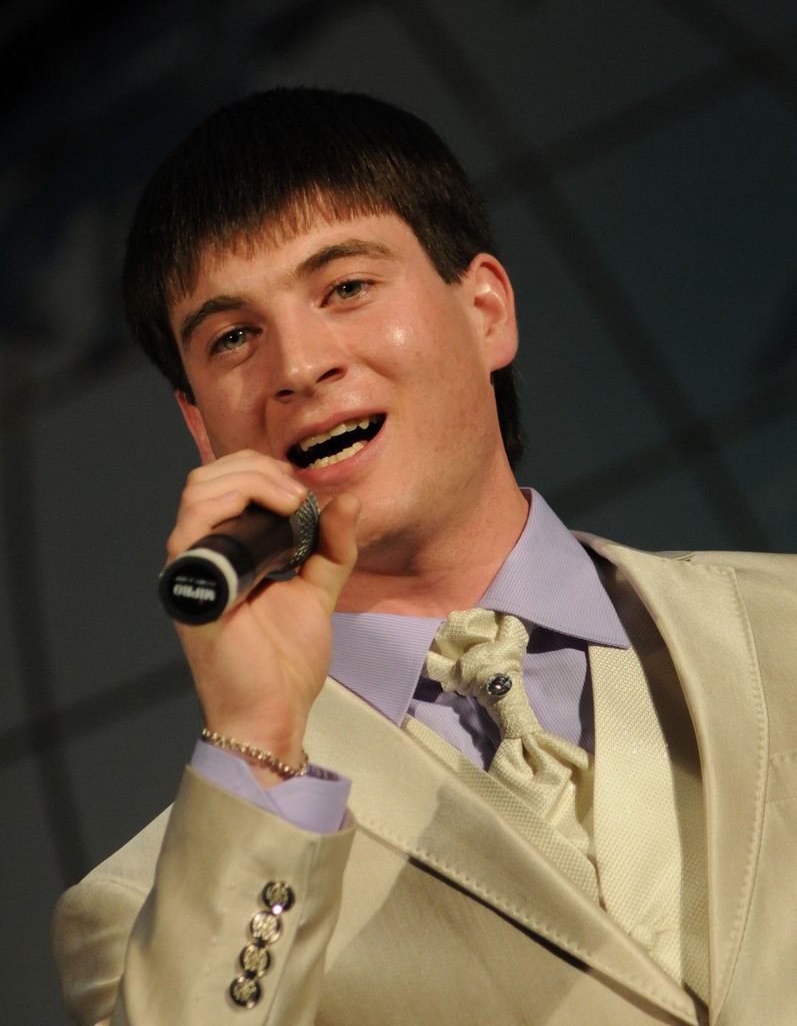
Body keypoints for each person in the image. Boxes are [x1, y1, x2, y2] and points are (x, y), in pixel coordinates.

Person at [52, 87, 797, 1026]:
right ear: (202, 429)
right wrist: (260, 743)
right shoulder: (137, 916)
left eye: (346, 288)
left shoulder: (781, 620)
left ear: (485, 309)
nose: (298, 365)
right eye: (233, 337)